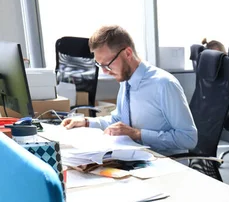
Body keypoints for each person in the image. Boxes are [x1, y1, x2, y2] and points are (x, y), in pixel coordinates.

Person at [62, 25, 197, 157]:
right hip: (134, 159)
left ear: (127, 53)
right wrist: (86, 122)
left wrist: (137, 134)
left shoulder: (164, 84)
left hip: (164, 164)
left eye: (107, 64)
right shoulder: (126, 81)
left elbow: (188, 138)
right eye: (100, 65)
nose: (104, 71)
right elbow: (119, 122)